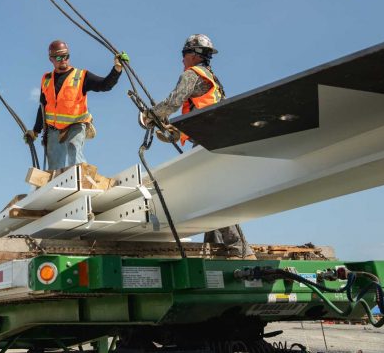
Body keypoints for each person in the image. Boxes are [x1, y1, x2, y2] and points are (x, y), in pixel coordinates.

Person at [145, 34, 255, 259]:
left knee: (212, 191)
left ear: (193, 55)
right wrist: (177, 133)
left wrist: (151, 114)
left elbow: (174, 102)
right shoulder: (212, 79)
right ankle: (216, 246)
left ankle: (238, 247)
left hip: (208, 140)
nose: (182, 60)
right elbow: (203, 113)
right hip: (218, 139)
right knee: (209, 192)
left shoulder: (191, 74)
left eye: (184, 55)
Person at [24, 40, 127, 170]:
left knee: (74, 149)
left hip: (76, 125)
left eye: (66, 56)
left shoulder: (81, 76)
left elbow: (105, 85)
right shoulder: (46, 79)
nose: (63, 60)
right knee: (54, 169)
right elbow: (43, 106)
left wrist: (117, 69)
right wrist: (35, 131)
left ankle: (81, 180)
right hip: (53, 129)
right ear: (51, 59)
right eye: (59, 57)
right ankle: (58, 188)